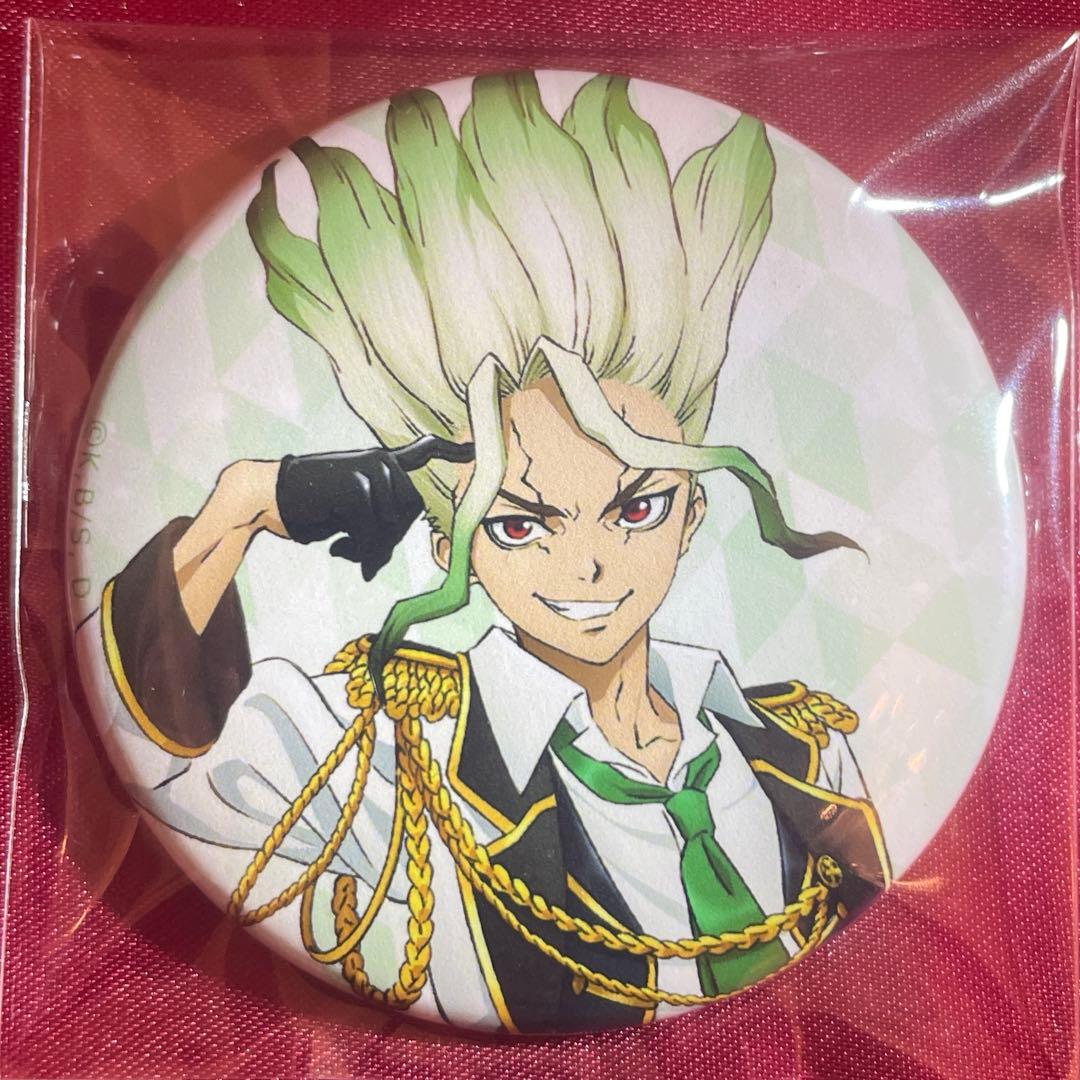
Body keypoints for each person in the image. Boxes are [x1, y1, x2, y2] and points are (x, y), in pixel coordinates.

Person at [77, 71, 890, 1033]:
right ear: (447, 542)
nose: (587, 567)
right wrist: (247, 504)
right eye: (519, 525)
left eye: (635, 508)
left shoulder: (808, 747)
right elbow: (153, 760)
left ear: (693, 515)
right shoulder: (394, 760)